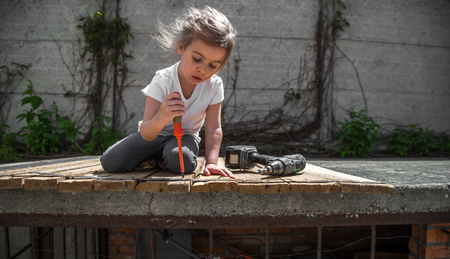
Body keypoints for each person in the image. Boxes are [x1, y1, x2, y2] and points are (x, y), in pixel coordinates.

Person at [100, 5, 236, 179]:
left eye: (213, 65)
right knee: (111, 162)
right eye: (197, 59)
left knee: (182, 162)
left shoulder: (214, 85)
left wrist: (211, 162)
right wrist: (162, 117)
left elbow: (213, 128)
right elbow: (147, 132)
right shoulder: (163, 79)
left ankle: (156, 160)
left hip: (185, 138)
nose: (202, 70)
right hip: (153, 136)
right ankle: (154, 157)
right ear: (181, 47)